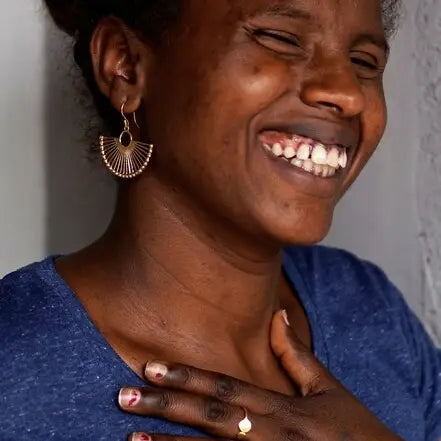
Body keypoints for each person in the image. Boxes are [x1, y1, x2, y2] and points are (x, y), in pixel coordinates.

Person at [0, 0, 439, 440]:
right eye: (281, 39)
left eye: (364, 62)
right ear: (125, 66)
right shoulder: (13, 373)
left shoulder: (369, 309)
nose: (347, 92)